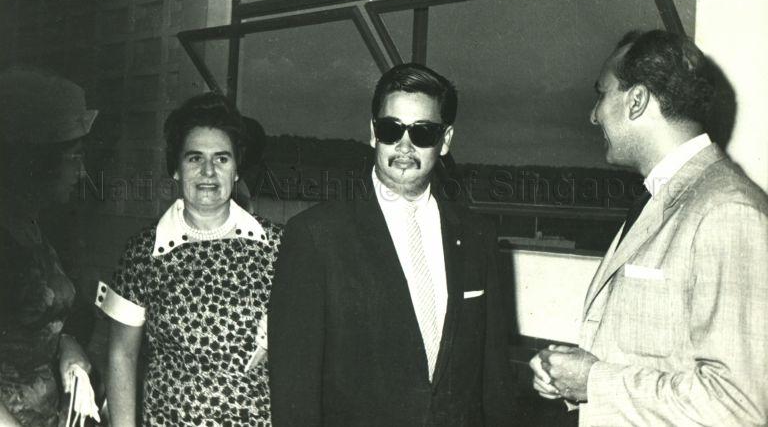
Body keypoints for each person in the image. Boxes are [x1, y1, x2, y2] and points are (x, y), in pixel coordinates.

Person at [530, 30, 768, 426]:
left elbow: (737, 405)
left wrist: (592, 381)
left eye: (601, 94)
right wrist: (572, 375)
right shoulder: (663, 197)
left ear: (636, 100)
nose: (593, 114)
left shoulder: (727, 209)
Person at [269, 63, 514, 426]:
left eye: (423, 133)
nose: (403, 146)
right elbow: (294, 391)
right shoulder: (315, 235)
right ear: (373, 133)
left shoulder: (478, 236)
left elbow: (495, 378)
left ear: (445, 141)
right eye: (390, 129)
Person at [97, 92, 282, 426]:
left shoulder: (278, 246)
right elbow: (121, 356)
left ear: (237, 170)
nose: (208, 171)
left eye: (222, 159)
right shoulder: (142, 253)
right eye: (195, 158)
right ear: (176, 170)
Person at [0, 68, 99, 426]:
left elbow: (37, 322)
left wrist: (67, 345)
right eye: (75, 157)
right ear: (38, 161)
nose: (83, 172)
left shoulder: (34, 229)